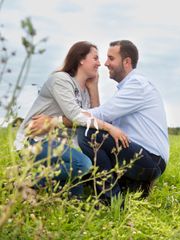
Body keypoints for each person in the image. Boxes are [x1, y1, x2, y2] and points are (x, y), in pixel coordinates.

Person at [14, 41, 129, 198]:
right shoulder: (61, 80)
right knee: (83, 164)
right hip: (35, 141)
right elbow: (77, 116)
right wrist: (110, 128)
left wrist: (94, 86)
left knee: (75, 197)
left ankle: (33, 185)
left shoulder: (85, 92)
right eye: (95, 58)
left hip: (59, 147)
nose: (100, 63)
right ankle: (31, 179)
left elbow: (93, 116)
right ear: (81, 59)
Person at [77, 40, 169, 204]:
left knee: (88, 132)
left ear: (126, 62)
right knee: (85, 174)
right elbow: (103, 119)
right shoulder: (127, 89)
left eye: (111, 58)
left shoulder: (137, 85)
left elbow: (100, 116)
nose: (105, 63)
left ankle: (112, 202)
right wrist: (94, 87)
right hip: (140, 157)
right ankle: (133, 186)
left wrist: (57, 119)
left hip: (149, 160)